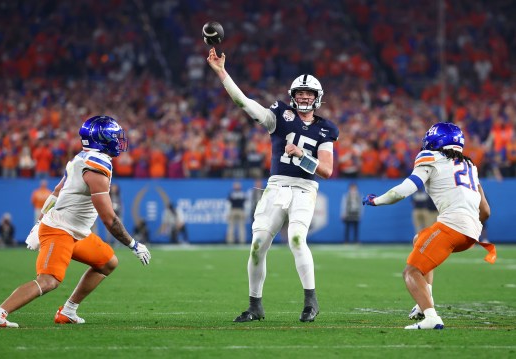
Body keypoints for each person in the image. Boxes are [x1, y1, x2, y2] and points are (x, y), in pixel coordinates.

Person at [0, 116, 151, 328]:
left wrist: (41, 218)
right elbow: (109, 219)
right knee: (49, 280)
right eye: (113, 137)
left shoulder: (83, 157)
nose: (118, 141)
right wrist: (134, 244)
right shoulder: (96, 168)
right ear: (100, 139)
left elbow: (57, 191)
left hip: (76, 231)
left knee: (108, 262)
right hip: (61, 230)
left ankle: (68, 311)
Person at [207, 48, 339, 322]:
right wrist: (222, 73)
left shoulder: (326, 129)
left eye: (310, 94)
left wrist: (302, 155)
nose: (305, 97)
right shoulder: (279, 115)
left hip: (304, 188)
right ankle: (255, 306)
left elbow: (326, 170)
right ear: (293, 96)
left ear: (318, 98)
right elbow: (244, 102)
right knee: (257, 244)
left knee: (296, 238)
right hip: (277, 186)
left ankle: (310, 302)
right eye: (301, 93)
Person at [362, 122, 496, 330]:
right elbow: (485, 211)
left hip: (452, 227)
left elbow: (403, 190)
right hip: (472, 234)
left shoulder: (430, 157)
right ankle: (423, 302)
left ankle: (432, 317)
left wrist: (376, 200)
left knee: (411, 272)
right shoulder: (470, 165)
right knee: (420, 240)